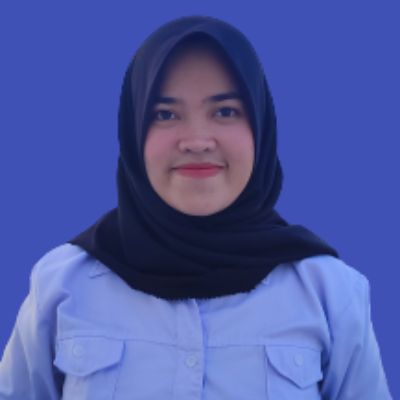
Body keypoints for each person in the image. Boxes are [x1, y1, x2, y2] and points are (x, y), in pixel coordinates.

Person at [0, 15, 392, 399]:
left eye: (225, 111)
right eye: (165, 114)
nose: (197, 141)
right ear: (133, 132)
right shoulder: (63, 284)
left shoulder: (330, 293)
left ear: (260, 126)